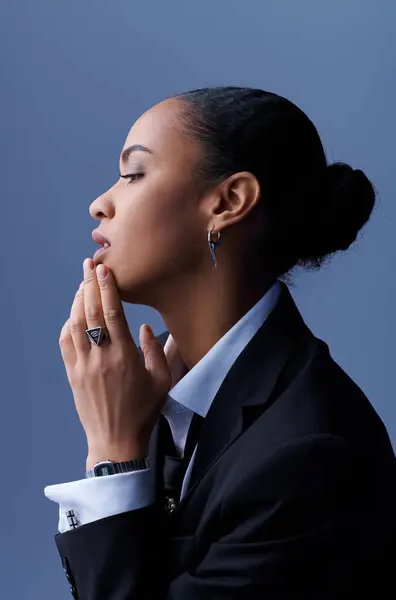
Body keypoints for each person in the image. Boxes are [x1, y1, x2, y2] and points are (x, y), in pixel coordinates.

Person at [44, 86, 396, 599]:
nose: (101, 204)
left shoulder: (311, 456)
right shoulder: (153, 391)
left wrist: (113, 457)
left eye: (133, 174)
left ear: (229, 202)